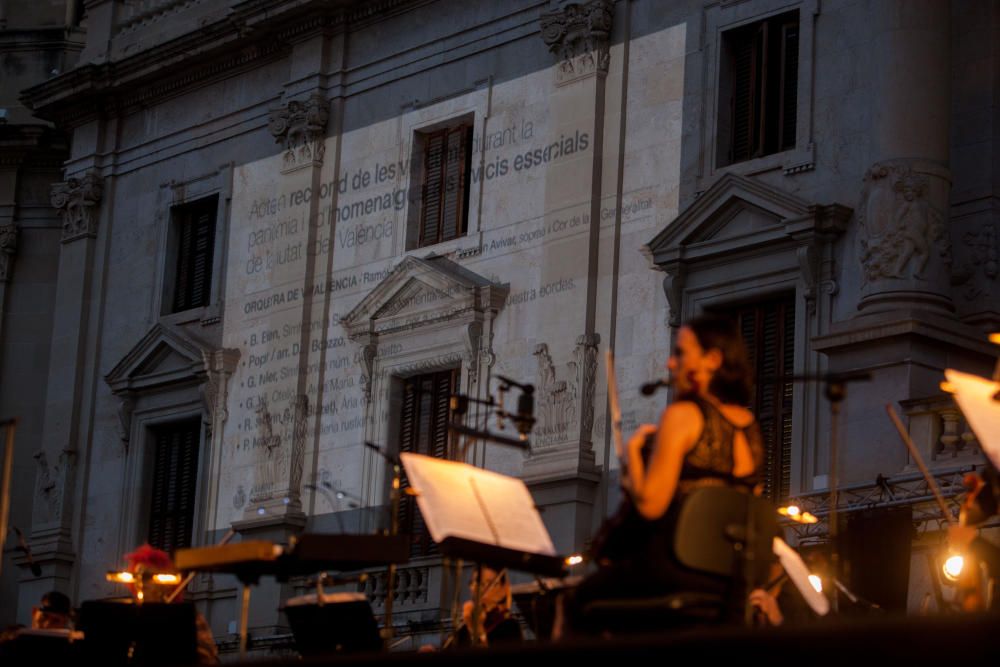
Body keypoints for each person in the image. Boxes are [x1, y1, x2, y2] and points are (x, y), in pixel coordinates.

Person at [560, 314, 764, 636]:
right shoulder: (749, 426)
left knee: (576, 598)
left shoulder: (682, 415)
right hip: (728, 579)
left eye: (682, 352)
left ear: (712, 359)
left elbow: (651, 506)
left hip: (675, 567)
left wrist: (633, 460)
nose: (671, 363)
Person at [124, 544, 219, 664]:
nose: (141, 583)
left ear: (165, 583)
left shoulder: (185, 617)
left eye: (148, 577)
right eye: (137, 577)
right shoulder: (125, 614)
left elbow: (207, 657)